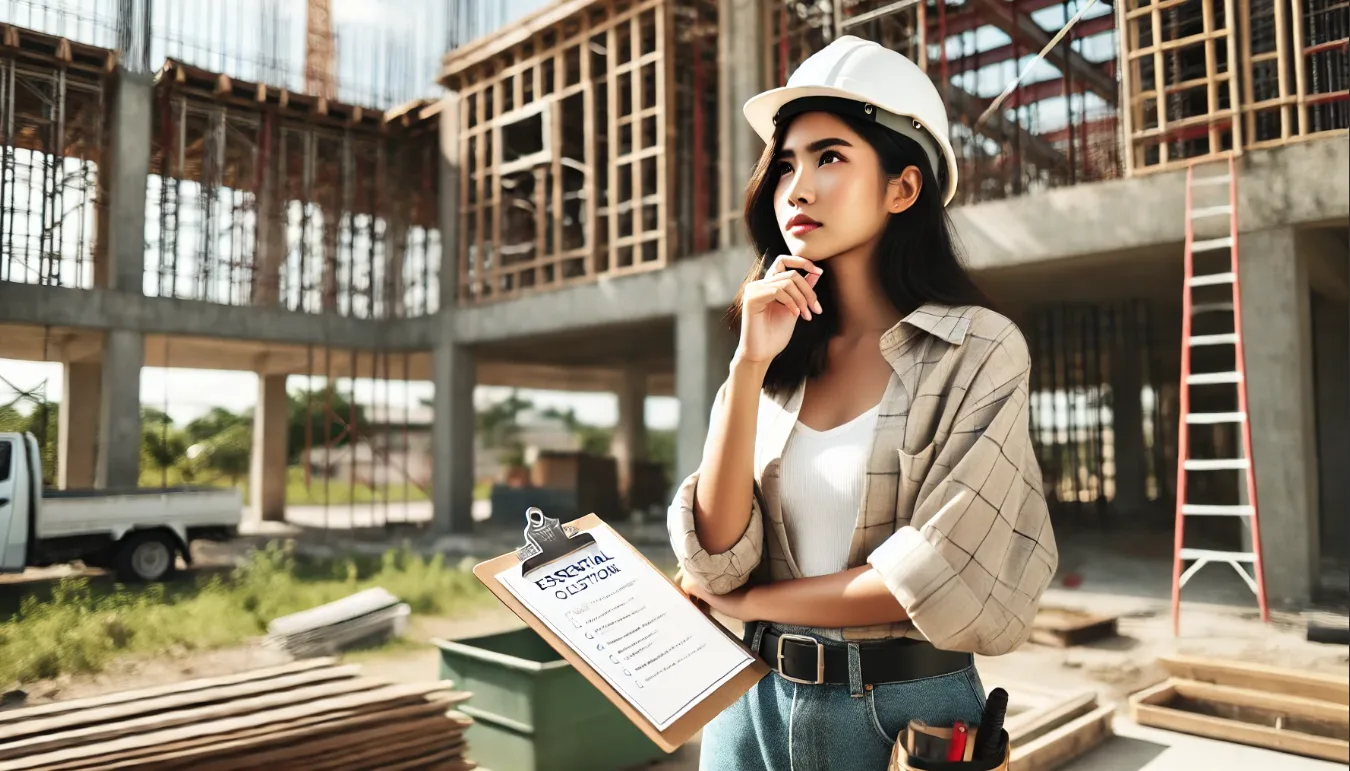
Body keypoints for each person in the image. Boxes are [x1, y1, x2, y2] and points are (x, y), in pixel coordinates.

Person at [668, 36, 1059, 770]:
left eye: (830, 157)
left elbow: (933, 578)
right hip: (746, 706)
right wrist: (748, 365)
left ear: (903, 188)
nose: (797, 188)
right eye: (785, 163)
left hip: (898, 717)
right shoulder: (772, 354)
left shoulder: (978, 350)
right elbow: (717, 561)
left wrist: (753, 606)